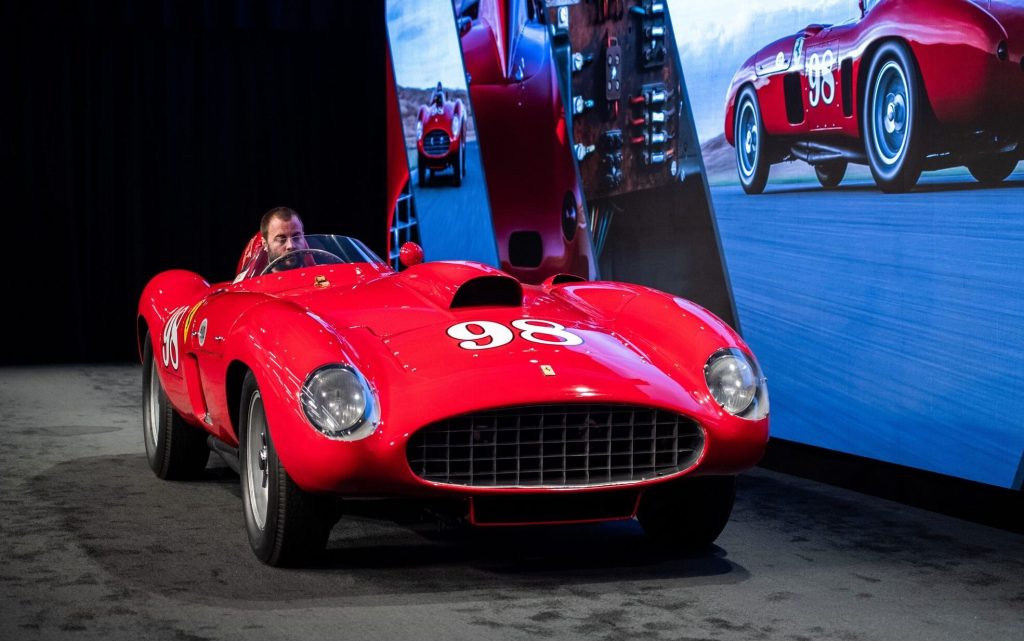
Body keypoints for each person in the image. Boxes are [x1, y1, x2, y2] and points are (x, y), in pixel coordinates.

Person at [260, 206, 308, 271]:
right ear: (265, 244)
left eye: (296, 237)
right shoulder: (256, 280)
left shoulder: (320, 275)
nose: (291, 246)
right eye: (281, 239)